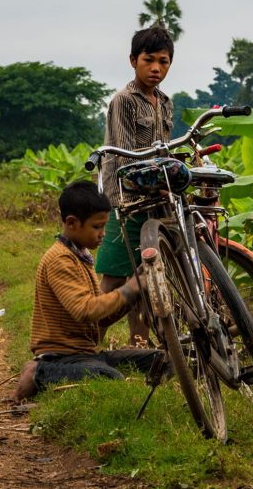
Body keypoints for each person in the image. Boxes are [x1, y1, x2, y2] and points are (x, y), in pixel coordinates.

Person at [12, 180, 161, 404]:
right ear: (72, 223)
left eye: (104, 226)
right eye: (96, 227)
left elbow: (101, 318)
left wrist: (135, 295)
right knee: (108, 375)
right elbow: (86, 310)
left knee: (162, 360)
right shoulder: (60, 260)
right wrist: (129, 289)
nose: (102, 234)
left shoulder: (80, 255)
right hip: (62, 357)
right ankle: (38, 372)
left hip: (88, 354)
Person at [94, 25, 175, 346]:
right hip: (125, 200)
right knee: (115, 275)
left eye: (164, 62)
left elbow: (164, 148)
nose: (156, 68)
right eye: (149, 60)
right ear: (133, 61)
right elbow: (123, 155)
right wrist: (151, 182)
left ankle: (138, 344)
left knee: (147, 272)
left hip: (155, 201)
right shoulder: (123, 101)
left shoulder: (165, 102)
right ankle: (88, 341)